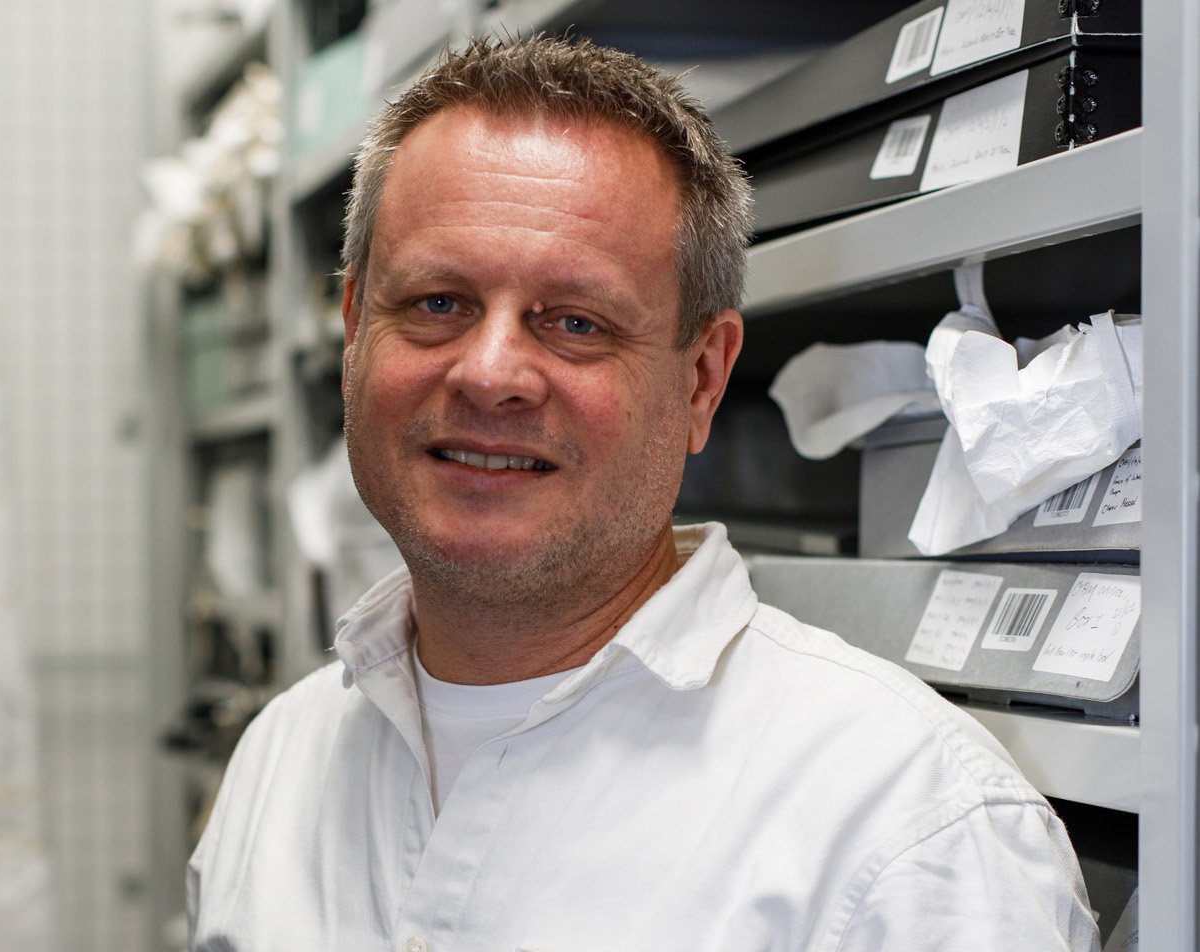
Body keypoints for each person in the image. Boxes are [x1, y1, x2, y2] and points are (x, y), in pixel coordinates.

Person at [188, 35, 1101, 952]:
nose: (490, 373)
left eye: (574, 322)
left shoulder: (909, 833)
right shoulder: (280, 762)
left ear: (701, 380)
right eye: (437, 303)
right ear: (354, 332)